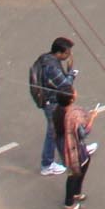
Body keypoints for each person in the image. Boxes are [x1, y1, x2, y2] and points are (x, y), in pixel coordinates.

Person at [28, 37, 75, 176]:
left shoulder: (46, 58)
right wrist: (71, 72)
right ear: (59, 53)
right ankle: (47, 163)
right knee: (53, 132)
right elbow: (65, 85)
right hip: (52, 102)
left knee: (64, 126)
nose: (69, 55)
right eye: (67, 53)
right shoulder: (52, 67)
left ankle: (76, 149)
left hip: (52, 100)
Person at [54, 86, 95, 209]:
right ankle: (69, 202)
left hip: (63, 142)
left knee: (84, 162)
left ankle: (76, 192)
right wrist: (92, 118)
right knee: (75, 171)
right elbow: (83, 133)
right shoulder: (72, 116)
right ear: (71, 99)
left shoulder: (58, 111)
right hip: (71, 145)